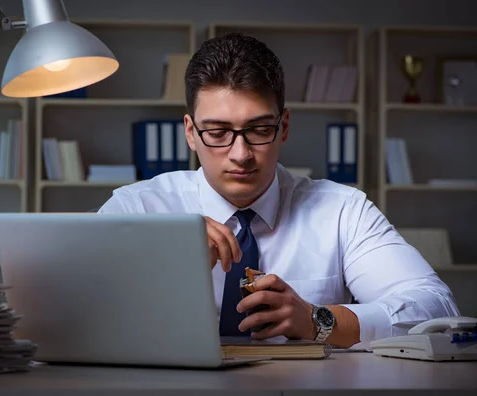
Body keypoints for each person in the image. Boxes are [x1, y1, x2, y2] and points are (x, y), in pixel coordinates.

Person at [97, 32, 460, 349]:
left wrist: (316, 319)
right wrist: (161, 264)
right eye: (218, 132)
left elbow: (436, 309)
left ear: (283, 126)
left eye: (258, 129)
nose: (241, 155)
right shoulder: (137, 209)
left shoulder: (343, 211)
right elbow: (71, 314)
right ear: (190, 132)